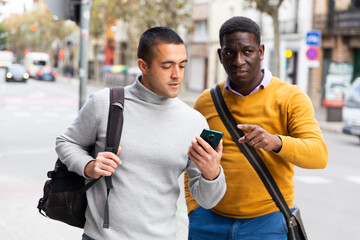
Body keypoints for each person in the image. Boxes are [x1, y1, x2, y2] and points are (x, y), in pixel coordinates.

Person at [56, 26, 226, 240]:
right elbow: (66, 142)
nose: (177, 75)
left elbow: (207, 200)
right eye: (167, 66)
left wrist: (212, 174)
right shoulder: (105, 103)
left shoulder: (194, 121)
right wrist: (89, 166)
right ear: (143, 66)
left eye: (182, 66)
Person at [184, 16, 328, 240]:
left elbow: (319, 155)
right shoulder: (206, 101)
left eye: (247, 51)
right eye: (230, 52)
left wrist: (277, 142)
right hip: (208, 222)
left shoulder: (291, 97)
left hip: (267, 223)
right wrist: (194, 209)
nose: (239, 60)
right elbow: (193, 160)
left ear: (261, 51)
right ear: (220, 56)